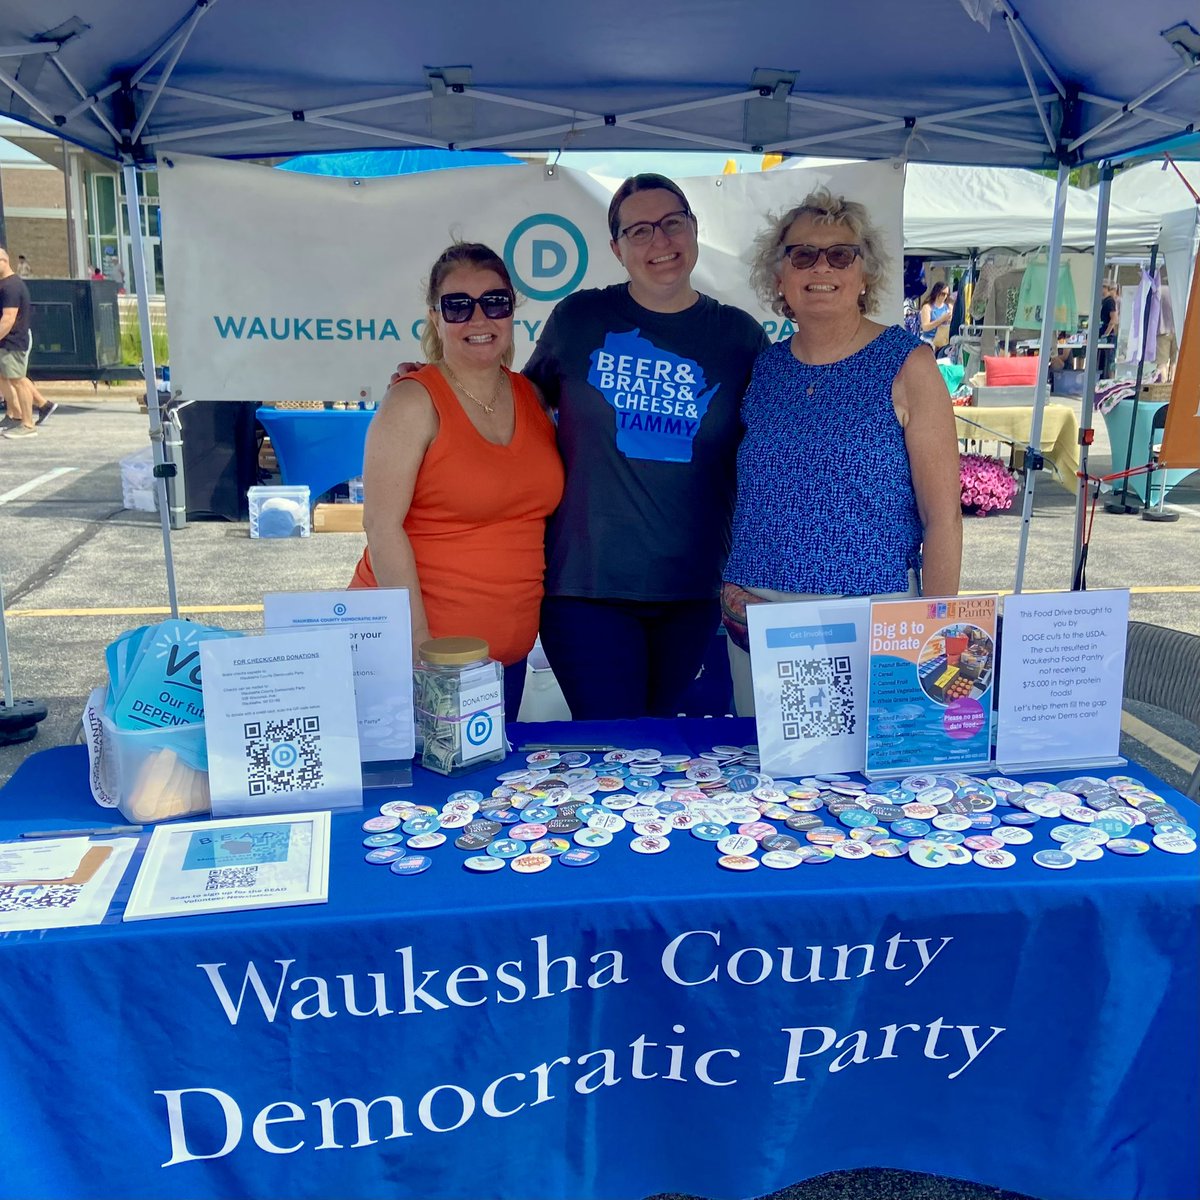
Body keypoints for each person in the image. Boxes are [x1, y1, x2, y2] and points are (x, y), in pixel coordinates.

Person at [523, 173, 768, 719]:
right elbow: (514, 402)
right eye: (639, 231)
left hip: (694, 590)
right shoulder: (580, 319)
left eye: (671, 223)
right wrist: (440, 379)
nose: (660, 242)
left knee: (678, 761)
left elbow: (776, 449)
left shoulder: (739, 336)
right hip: (586, 587)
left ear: (693, 229)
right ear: (617, 248)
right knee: (615, 749)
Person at [720, 188, 963, 716]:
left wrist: (936, 633)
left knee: (869, 789)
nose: (821, 267)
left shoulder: (908, 365)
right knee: (764, 786)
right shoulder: (766, 369)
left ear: (865, 273)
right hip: (760, 613)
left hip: (871, 615)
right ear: (780, 276)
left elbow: (943, 517)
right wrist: (732, 581)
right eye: (802, 255)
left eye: (840, 254)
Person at [350, 243, 564, 721]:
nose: (478, 319)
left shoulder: (531, 395)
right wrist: (420, 650)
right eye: (458, 306)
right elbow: (382, 529)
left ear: (512, 310)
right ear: (435, 316)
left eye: (495, 302)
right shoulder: (412, 401)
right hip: (422, 660)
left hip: (501, 663)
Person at [0, 246, 38, 440]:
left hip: (13, 341)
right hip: (6, 342)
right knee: (4, 378)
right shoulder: (5, 284)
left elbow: (8, 319)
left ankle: (28, 423)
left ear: (3, 261)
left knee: (18, 380)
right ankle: (14, 415)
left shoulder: (11, 286)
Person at [919, 281, 953, 350]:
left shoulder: (949, 306)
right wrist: (941, 320)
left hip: (943, 341)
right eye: (943, 294)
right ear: (936, 292)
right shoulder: (927, 307)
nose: (945, 297)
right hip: (929, 341)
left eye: (947, 294)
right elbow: (925, 327)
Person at [1098, 281, 1118, 379]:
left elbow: (1113, 318)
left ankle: (1111, 379)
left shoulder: (1110, 301)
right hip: (1101, 334)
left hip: (1108, 336)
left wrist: (1106, 334)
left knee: (1110, 359)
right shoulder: (1103, 301)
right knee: (1101, 360)